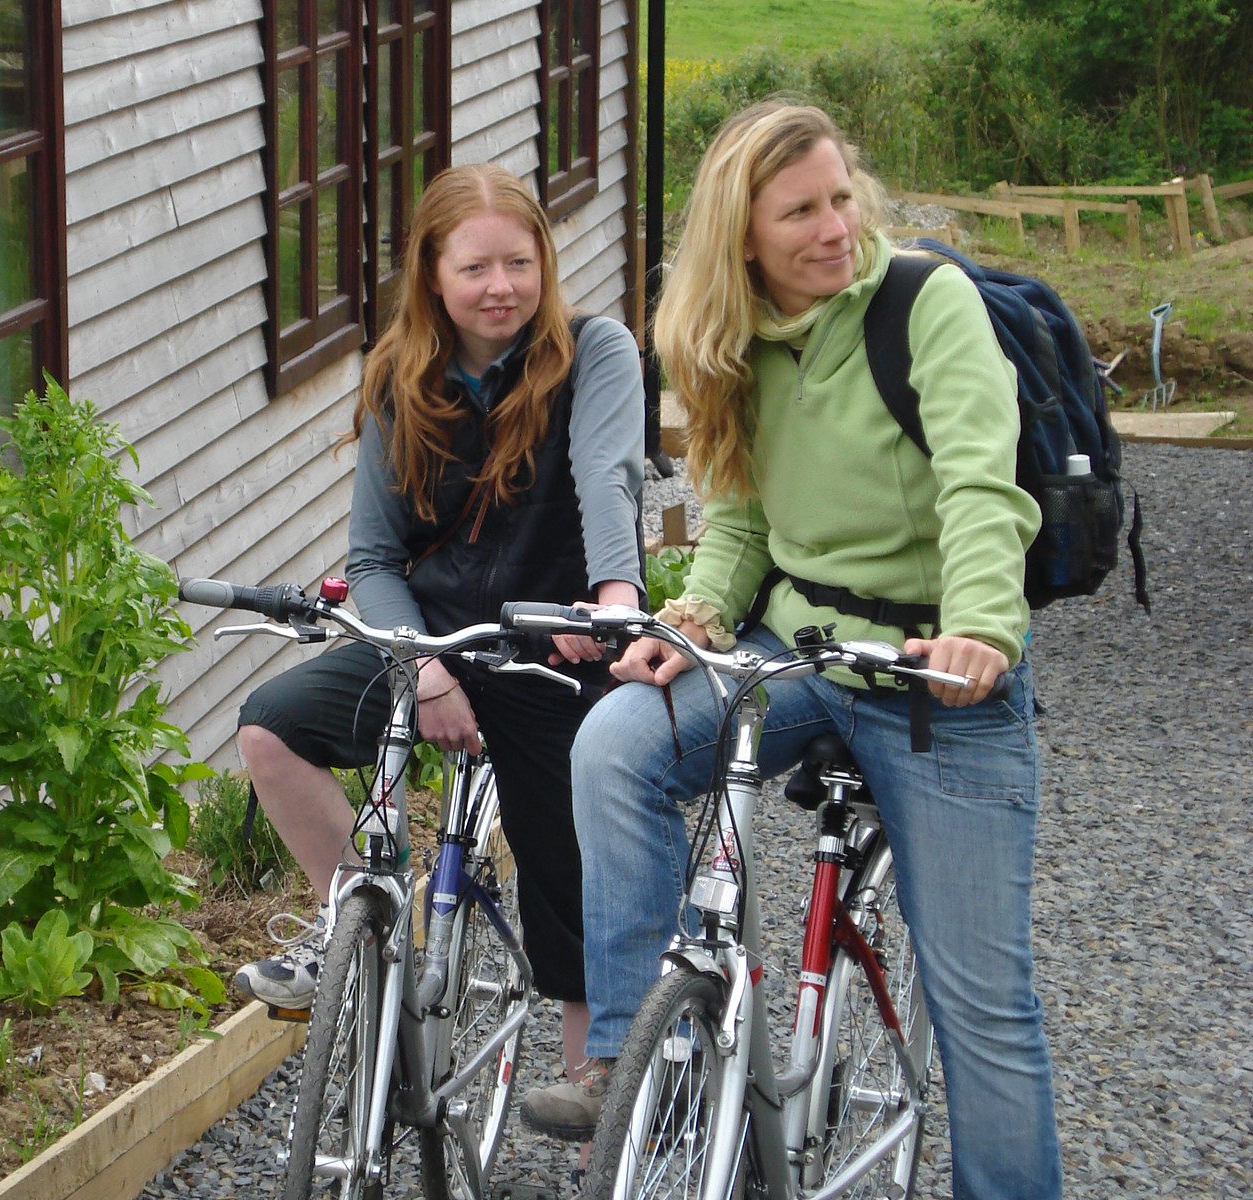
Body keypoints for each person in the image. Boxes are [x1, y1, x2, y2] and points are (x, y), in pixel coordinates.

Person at [518, 102, 1063, 1198]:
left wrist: (982, 631)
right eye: (800, 211)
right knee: (615, 743)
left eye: (839, 198)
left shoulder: (925, 303)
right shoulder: (727, 340)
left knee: (982, 1005)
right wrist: (700, 623)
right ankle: (644, 1062)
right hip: (800, 649)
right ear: (744, 238)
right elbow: (740, 523)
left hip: (933, 678)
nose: (835, 228)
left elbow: (978, 488)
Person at [232, 163, 646, 1092]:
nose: (501, 287)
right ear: (431, 276)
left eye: (520, 262)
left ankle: (599, 1097)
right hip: (430, 640)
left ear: (544, 261)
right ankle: (360, 925)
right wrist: (422, 669)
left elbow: (607, 479)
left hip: (555, 637)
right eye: (475, 269)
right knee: (271, 728)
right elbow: (373, 561)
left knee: (570, 871)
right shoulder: (400, 379)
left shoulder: (594, 353)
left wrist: (615, 596)